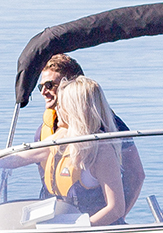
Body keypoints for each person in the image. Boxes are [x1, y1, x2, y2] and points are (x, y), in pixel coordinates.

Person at [34, 53, 145, 205]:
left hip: (92, 219)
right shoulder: (44, 130)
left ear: (72, 84)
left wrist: (117, 217)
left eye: (49, 85)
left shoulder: (107, 125)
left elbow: (135, 175)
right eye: (40, 86)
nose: (43, 92)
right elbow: (26, 157)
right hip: (54, 217)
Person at [44, 77, 131, 225]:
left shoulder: (102, 150)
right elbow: (23, 156)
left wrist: (78, 229)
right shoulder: (63, 139)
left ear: (73, 109)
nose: (56, 109)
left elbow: (116, 208)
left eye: (61, 104)